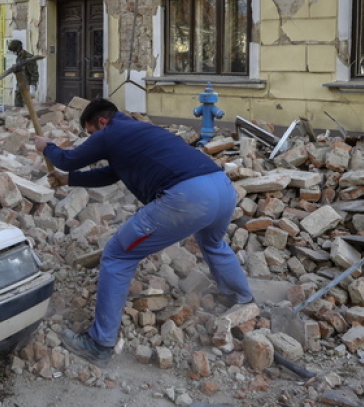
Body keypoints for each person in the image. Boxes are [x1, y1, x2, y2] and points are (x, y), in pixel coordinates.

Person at [34, 98, 254, 366]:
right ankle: (243, 300)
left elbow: (68, 159)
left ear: (102, 122)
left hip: (188, 197)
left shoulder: (111, 132)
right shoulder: (139, 130)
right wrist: (70, 180)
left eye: (90, 132)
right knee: (213, 242)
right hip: (221, 187)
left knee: (117, 255)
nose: (92, 138)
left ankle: (99, 344)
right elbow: (111, 174)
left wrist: (47, 147)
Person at [8, 39, 38, 108]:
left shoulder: (29, 58)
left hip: (27, 85)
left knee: (27, 107)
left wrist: (32, 86)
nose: (14, 53)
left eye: (14, 51)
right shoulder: (18, 58)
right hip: (20, 84)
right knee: (17, 105)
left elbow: (34, 73)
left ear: (18, 49)